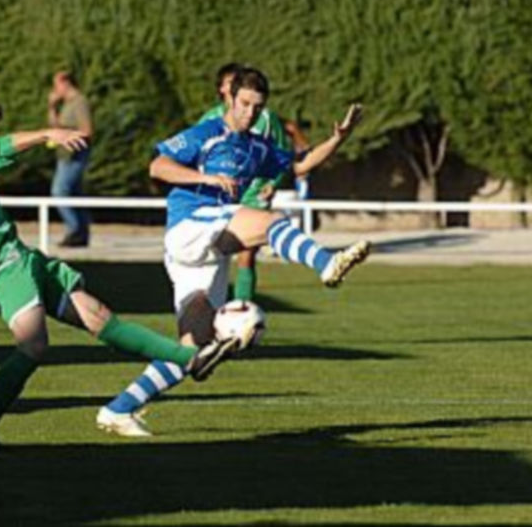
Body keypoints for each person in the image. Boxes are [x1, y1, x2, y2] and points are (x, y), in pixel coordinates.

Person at [0, 89, 242, 452]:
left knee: (100, 318)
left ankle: (192, 359)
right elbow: (2, 147)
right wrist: (49, 133)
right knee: (32, 346)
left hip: (23, 257)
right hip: (3, 268)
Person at [96, 67, 368, 437]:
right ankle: (325, 262)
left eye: (258, 107)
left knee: (193, 352)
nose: (250, 113)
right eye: (244, 104)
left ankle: (118, 409)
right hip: (190, 226)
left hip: (204, 254)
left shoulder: (258, 147)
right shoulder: (207, 133)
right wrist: (205, 178)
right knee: (271, 222)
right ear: (229, 98)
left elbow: (301, 165)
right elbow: (158, 166)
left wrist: (339, 138)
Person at [198, 63, 310, 301]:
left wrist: (274, 184)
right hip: (217, 196)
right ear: (221, 89)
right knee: (210, 254)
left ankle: (242, 311)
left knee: (246, 254)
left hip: (253, 193)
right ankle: (209, 311)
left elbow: (281, 156)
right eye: (228, 83)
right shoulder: (208, 119)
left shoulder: (265, 118)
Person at [48, 71, 93, 247]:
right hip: (64, 154)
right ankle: (81, 233)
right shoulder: (65, 104)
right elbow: (54, 127)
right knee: (74, 193)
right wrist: (51, 107)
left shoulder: (79, 102)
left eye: (56, 84)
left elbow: (87, 130)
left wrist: (70, 137)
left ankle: (74, 230)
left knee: (59, 191)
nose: (54, 89)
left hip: (75, 154)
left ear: (66, 83)